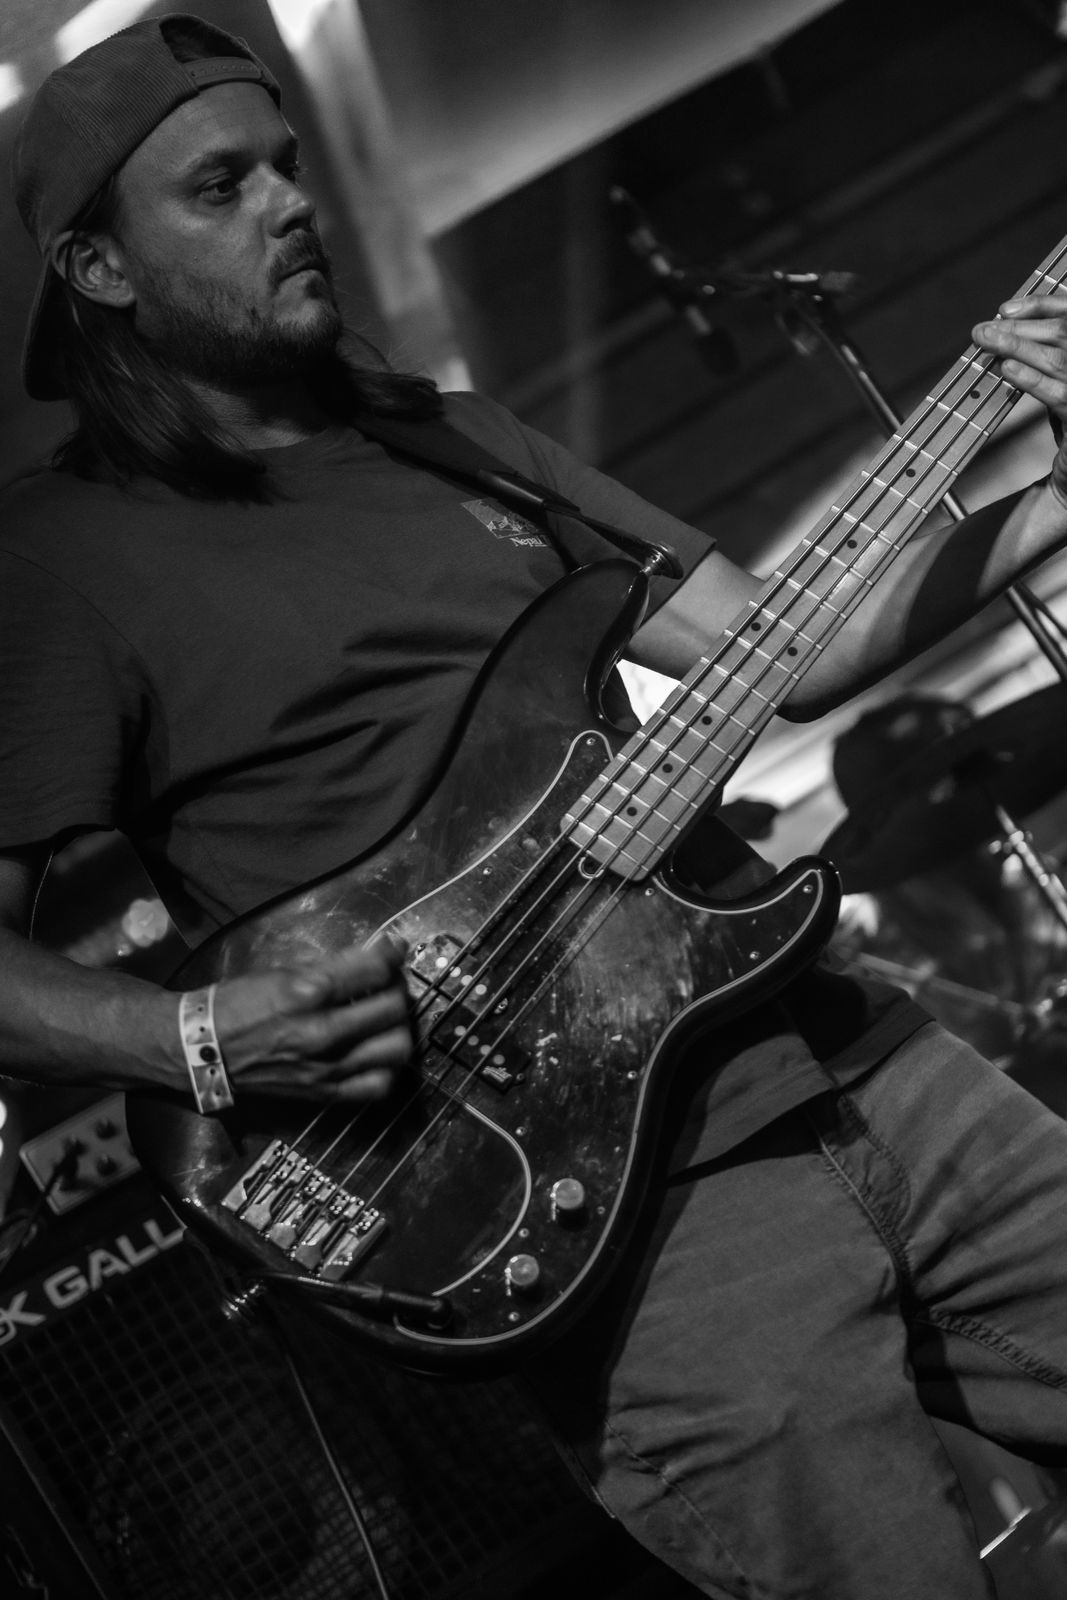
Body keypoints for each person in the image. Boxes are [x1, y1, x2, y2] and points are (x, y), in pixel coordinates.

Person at [6, 16, 1067, 1599]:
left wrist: (1052, 497)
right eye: (220, 188)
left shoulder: (454, 438)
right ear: (99, 269)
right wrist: (197, 1041)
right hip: (617, 1216)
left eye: (286, 165)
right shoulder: (60, 559)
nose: (289, 203)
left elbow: (782, 649)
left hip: (848, 1056)